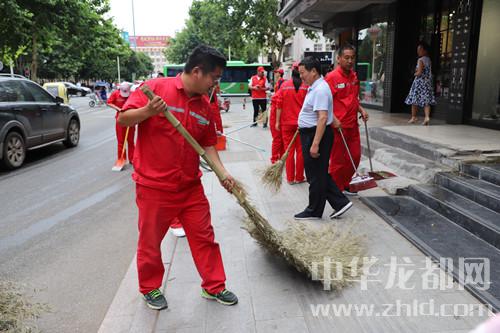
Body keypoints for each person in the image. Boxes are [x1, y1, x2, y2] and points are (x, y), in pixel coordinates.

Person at [118, 45, 238, 310]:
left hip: (190, 186)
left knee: (204, 236)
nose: (215, 84)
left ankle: (214, 285)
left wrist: (223, 174)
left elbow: (207, 145)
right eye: (213, 78)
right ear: (197, 72)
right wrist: (148, 111)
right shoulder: (156, 88)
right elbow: (124, 119)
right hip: (154, 187)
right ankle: (150, 288)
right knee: (150, 241)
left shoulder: (204, 106)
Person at [294, 56, 352, 220]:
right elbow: (324, 113)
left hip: (315, 134)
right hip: (312, 132)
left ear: (314, 71)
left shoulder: (320, 89)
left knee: (315, 175)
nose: (301, 76)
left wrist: (315, 144)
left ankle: (318, 208)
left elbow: (322, 117)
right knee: (317, 174)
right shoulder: (316, 87)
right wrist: (334, 119)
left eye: (303, 73)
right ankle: (334, 204)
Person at [325, 44, 369, 195]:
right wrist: (333, 119)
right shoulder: (331, 77)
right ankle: (336, 190)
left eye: (352, 58)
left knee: (355, 156)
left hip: (352, 125)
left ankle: (346, 183)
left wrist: (361, 110)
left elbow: (353, 99)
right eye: (346, 58)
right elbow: (325, 103)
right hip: (338, 127)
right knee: (338, 161)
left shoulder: (354, 76)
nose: (350, 61)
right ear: (338, 59)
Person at [275, 62, 307, 184]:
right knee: (301, 151)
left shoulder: (284, 86)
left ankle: (290, 179)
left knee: (288, 151)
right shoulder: (306, 86)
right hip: (301, 124)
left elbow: (279, 104)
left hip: (286, 123)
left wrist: (277, 122)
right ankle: (299, 177)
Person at [405, 41, 435, 125]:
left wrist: (414, 73)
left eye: (420, 49)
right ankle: (427, 117)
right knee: (426, 100)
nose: (418, 51)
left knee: (414, 99)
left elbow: (419, 73)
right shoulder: (429, 59)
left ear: (425, 51)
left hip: (419, 83)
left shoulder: (420, 60)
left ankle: (414, 117)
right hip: (427, 82)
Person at [107, 82, 135, 164]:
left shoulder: (133, 94)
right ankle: (121, 159)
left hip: (131, 119)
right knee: (121, 141)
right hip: (120, 120)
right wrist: (118, 109)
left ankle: (132, 158)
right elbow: (109, 102)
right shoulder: (115, 93)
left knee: (130, 140)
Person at [269, 68, 285, 163]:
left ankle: (276, 158)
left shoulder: (281, 82)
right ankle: (279, 157)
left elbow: (279, 98)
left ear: (280, 74)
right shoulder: (278, 82)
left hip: (276, 110)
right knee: (279, 138)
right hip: (276, 109)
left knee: (278, 139)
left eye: (277, 73)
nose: (275, 74)